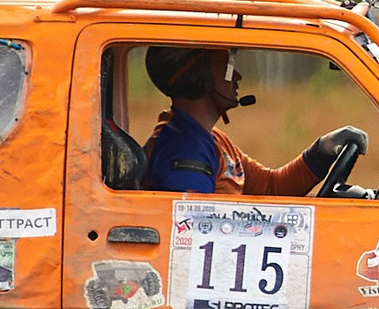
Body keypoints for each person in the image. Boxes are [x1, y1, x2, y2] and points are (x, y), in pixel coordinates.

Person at [141, 46, 365, 198]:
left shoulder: (211, 139)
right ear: (199, 75)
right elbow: (195, 233)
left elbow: (271, 187)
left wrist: (322, 151)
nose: (237, 75)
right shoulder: (183, 152)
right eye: (226, 67)